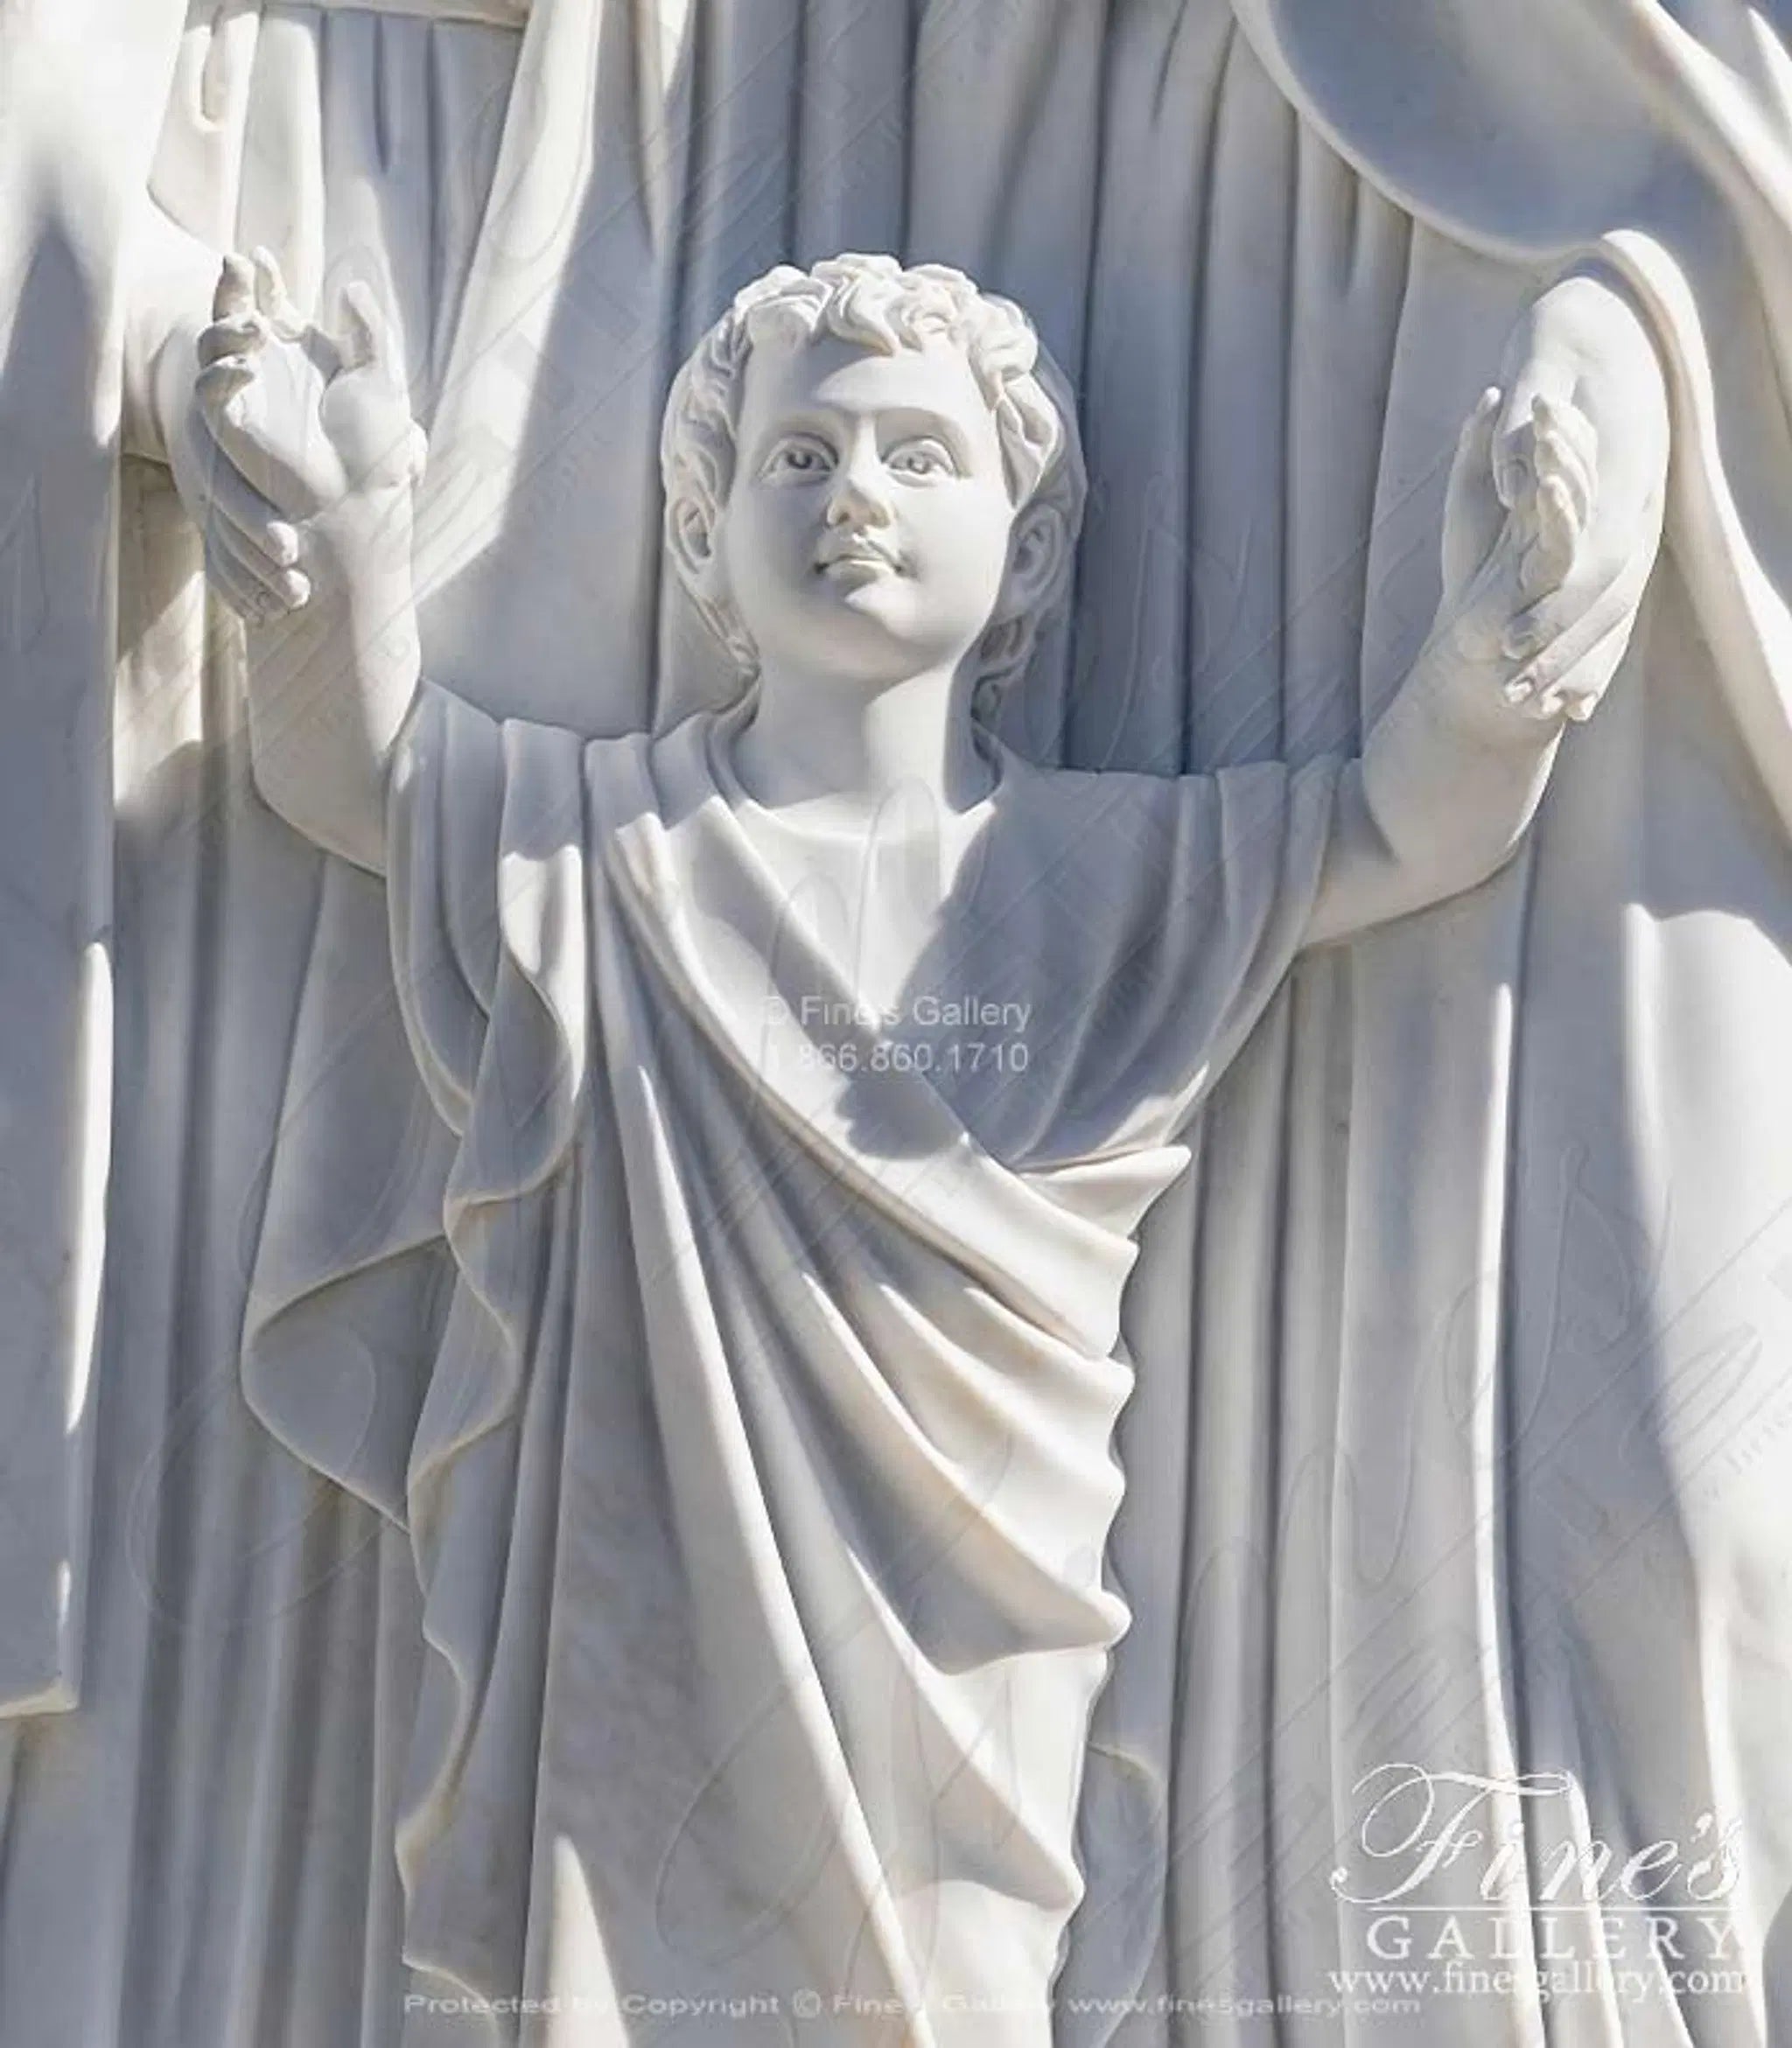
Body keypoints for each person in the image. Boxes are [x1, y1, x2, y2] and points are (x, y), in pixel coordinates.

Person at [180, 247, 1657, 2040]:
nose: (854, 496)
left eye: (915, 455)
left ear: (1023, 543)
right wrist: (327, 545)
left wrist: (1498, 658)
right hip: (627, 1621)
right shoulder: (588, 843)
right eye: (797, 459)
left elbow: (1400, 830)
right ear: (703, 531)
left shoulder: (1114, 869)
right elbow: (358, 772)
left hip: (965, 1650)